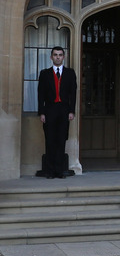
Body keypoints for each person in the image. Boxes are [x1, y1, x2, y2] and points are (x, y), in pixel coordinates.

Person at [37, 46, 77, 179]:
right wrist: (41, 112)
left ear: (63, 57)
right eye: (55, 55)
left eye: (60, 55)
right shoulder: (44, 73)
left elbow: (73, 94)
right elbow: (40, 94)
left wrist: (72, 111)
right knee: (50, 140)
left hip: (64, 111)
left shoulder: (70, 73)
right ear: (51, 57)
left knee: (61, 140)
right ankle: (49, 171)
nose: (58, 57)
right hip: (49, 110)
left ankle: (59, 170)